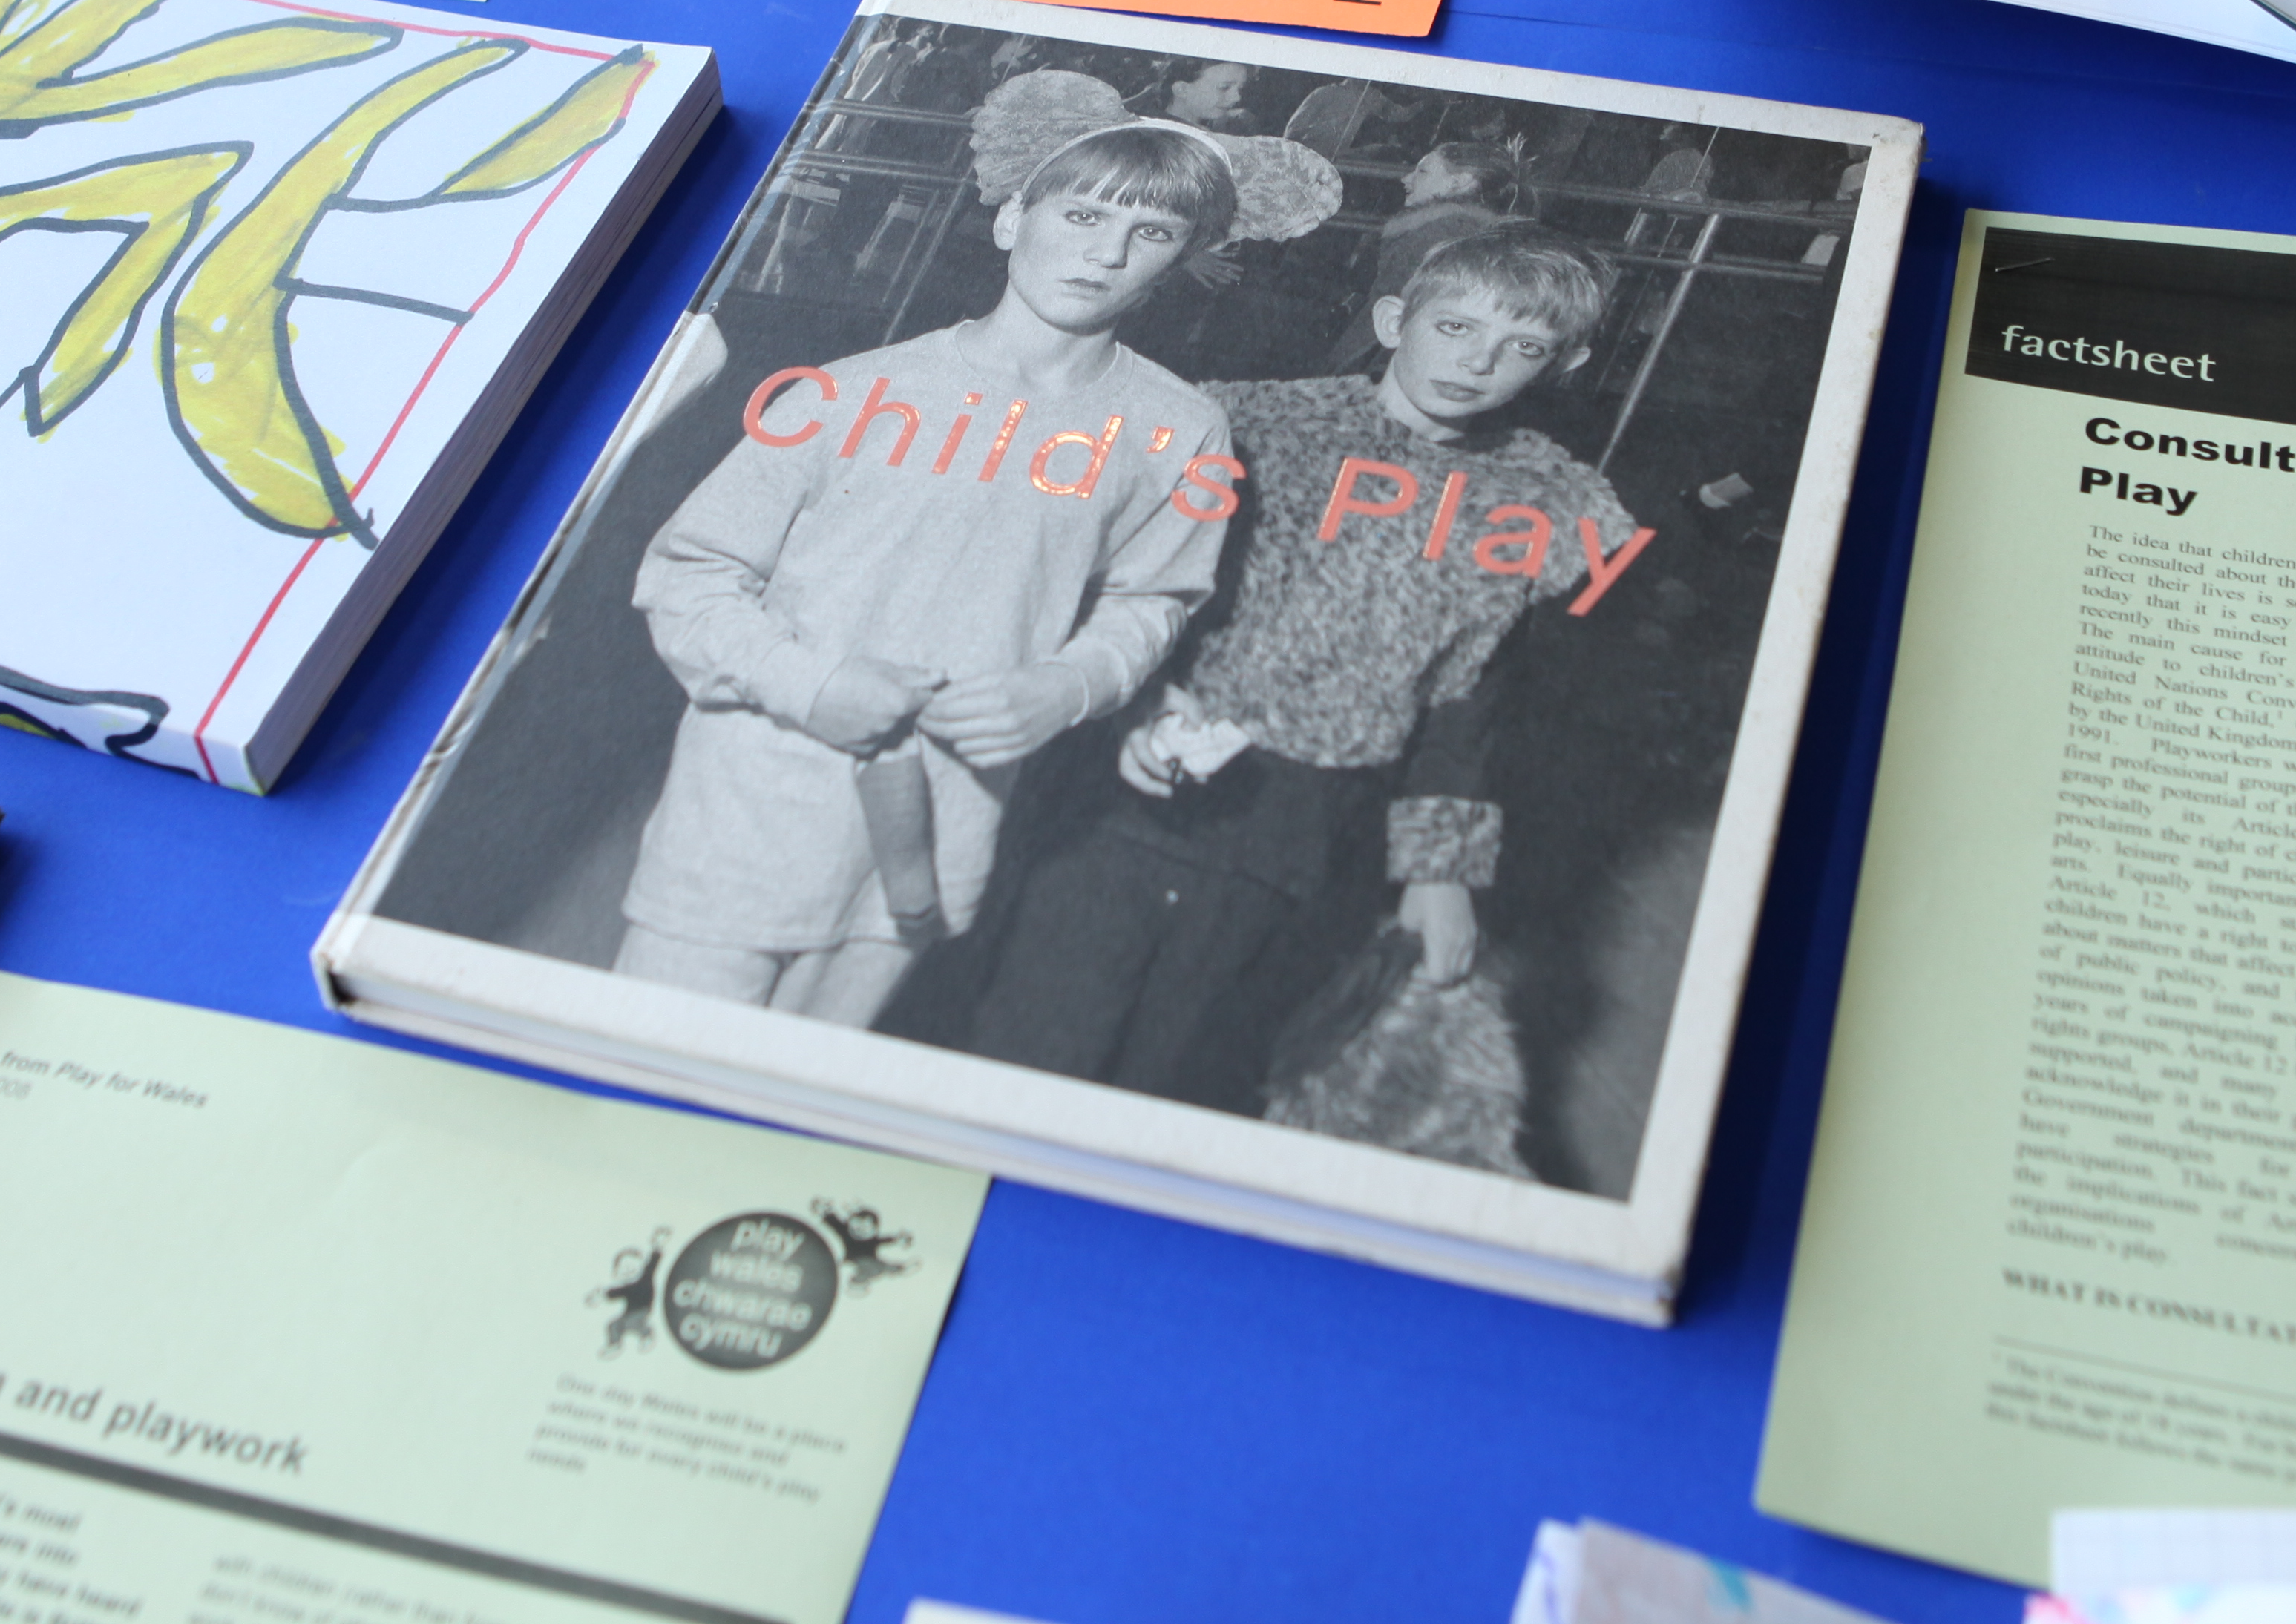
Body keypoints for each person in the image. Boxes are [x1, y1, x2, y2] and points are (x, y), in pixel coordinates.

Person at [965, 224, 1644, 1117]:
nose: (1478, 365)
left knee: (1174, 1077)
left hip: (1304, 825)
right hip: (1124, 786)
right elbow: (1102, 581)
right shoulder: (1243, 423)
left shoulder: (1536, 503)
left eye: (1521, 348)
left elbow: (1469, 695)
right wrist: (1130, 710)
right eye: (1455, 329)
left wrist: (1440, 873)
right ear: (1396, 318)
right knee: (1028, 1047)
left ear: (1562, 364)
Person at [612, 102, 1260, 1030]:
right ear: (1010, 221)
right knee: (646, 1060)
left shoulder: (1184, 428)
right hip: (755, 797)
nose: (1108, 255)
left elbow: (1152, 599)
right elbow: (687, 575)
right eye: (1083, 216)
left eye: (1149, 232)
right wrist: (811, 681)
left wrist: (1069, 687)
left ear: (1176, 261)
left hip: (946, 820)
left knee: (802, 1091)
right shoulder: (850, 389)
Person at [1317, 138, 1526, 373]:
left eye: (1423, 171)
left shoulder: (1439, 230)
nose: (1406, 179)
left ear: (1458, 182)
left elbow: (1384, 316)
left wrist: (1338, 370)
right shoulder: (1474, 231)